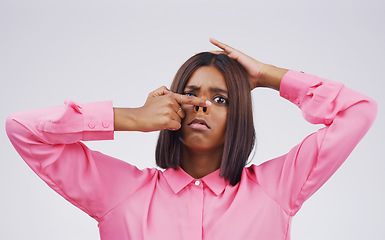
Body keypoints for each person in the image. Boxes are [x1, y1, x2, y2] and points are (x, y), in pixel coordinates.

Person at [6, 39, 377, 240]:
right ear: (173, 107)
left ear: (239, 116)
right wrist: (130, 118)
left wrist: (267, 75)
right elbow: (23, 130)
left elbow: (358, 111)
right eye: (191, 94)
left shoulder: (278, 188)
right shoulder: (118, 191)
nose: (202, 106)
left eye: (221, 99)